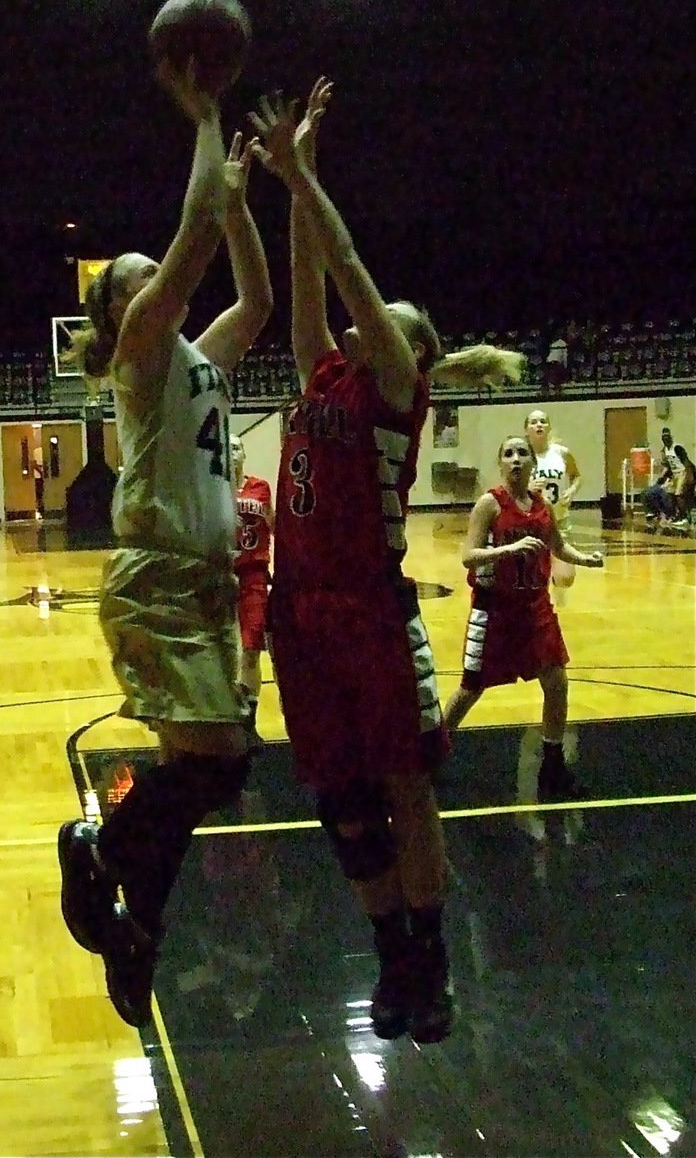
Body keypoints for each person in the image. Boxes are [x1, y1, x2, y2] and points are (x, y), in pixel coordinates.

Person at [249, 80, 525, 1044]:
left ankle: (433, 952)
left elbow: (350, 263)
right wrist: (294, 186)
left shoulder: (397, 394)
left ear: (408, 347)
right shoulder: (322, 370)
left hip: (370, 610)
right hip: (299, 616)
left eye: (386, 319)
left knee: (407, 786)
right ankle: (392, 953)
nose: (368, 323)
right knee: (337, 795)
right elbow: (309, 290)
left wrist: (304, 173)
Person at [55, 61, 273, 1029]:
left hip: (205, 586)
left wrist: (238, 206)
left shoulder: (196, 360)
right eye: (136, 276)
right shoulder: (144, 344)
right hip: (154, 581)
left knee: (203, 775)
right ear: (117, 311)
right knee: (217, 764)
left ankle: (136, 922)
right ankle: (94, 851)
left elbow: (257, 300)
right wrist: (207, 121)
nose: (154, 273)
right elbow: (188, 249)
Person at [443, 434, 604, 802]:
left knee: (557, 681)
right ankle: (431, 753)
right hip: (495, 609)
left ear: (532, 462)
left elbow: (557, 546)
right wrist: (508, 548)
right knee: (471, 687)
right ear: (500, 463)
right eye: (508, 453)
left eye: (522, 454)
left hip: (535, 607)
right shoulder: (490, 505)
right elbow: (468, 556)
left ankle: (552, 764)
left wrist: (585, 560)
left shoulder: (542, 506)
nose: (516, 459)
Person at [230, 433, 274, 730]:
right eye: (227, 447)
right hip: (220, 572)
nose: (232, 452)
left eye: (237, 447)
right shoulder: (213, 488)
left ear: (244, 453)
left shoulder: (261, 487)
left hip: (253, 574)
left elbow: (272, 523)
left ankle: (249, 721)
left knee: (250, 649)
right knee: (217, 650)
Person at [524, 409, 581, 605]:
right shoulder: (521, 455)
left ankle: (556, 591)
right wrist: (527, 488)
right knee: (532, 578)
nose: (538, 425)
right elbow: (506, 486)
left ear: (548, 427)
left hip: (559, 520)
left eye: (542, 421)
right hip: (530, 522)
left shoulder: (561, 453)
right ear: (526, 429)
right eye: (533, 422)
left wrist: (572, 491)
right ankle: (544, 608)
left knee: (566, 579)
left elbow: (576, 476)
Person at [644, 427, 684, 526]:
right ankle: (655, 513)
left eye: (667, 437)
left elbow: (686, 464)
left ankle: (680, 516)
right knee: (649, 492)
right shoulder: (664, 450)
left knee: (676, 494)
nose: (665, 440)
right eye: (663, 438)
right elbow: (666, 466)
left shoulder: (677, 448)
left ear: (671, 437)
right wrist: (660, 478)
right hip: (672, 476)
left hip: (681, 474)